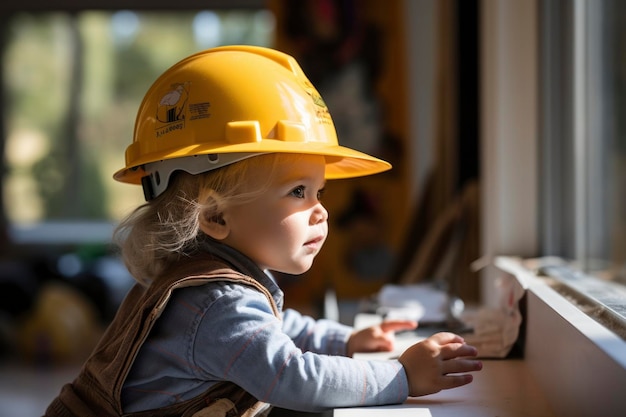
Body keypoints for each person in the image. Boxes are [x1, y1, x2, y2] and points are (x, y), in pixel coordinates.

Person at [45, 45, 481, 417]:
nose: (320, 212)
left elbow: (279, 324)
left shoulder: (215, 283)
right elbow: (293, 377)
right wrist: (402, 375)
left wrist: (344, 339)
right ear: (215, 217)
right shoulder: (216, 304)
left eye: (319, 192)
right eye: (297, 192)